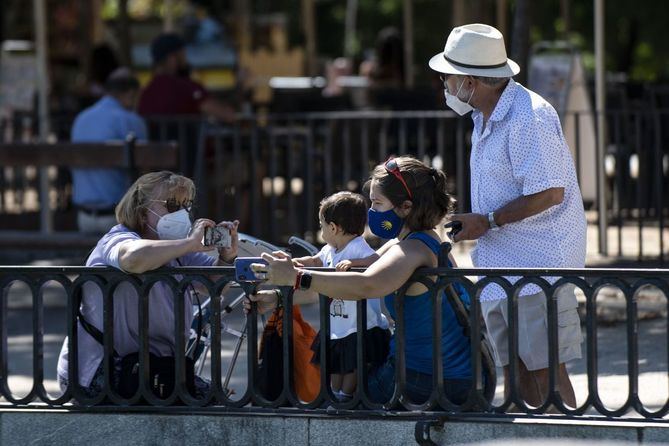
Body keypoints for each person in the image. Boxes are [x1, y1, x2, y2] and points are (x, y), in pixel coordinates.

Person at [428, 23, 586, 408]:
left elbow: (550, 192)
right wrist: (485, 220)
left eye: (449, 75)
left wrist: (490, 220)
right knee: (516, 370)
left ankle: (572, 438)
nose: (445, 84)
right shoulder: (486, 115)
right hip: (505, 266)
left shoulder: (527, 116)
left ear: (470, 81)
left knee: (545, 370)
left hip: (538, 266)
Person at [245, 156, 472, 405]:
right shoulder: (408, 242)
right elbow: (337, 282)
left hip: (430, 380)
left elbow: (366, 285)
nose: (371, 212)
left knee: (336, 401)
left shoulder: (413, 250)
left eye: (377, 203)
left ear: (406, 207)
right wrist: (278, 297)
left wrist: (296, 277)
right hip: (437, 375)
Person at [57, 170, 239, 398]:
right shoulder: (117, 238)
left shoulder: (177, 248)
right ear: (143, 212)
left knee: (218, 401)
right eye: (172, 205)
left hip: (153, 367)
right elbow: (132, 258)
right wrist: (190, 243)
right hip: (101, 369)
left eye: (186, 206)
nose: (182, 214)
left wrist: (226, 258)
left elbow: (215, 286)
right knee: (204, 405)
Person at [288, 191, 390, 402]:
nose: (322, 231)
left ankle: (346, 395)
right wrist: (295, 263)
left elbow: (375, 260)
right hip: (338, 323)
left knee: (353, 363)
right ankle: (335, 394)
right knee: (336, 362)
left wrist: (355, 264)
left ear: (333, 227)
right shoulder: (329, 249)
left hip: (360, 324)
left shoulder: (357, 247)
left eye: (321, 226)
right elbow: (316, 261)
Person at [70, 68, 147, 235]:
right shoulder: (130, 120)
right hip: (117, 219)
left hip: (83, 217)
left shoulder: (81, 118)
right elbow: (146, 171)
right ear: (131, 94)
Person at [138, 32, 235, 122]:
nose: (186, 61)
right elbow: (227, 115)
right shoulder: (187, 88)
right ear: (171, 58)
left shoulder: (146, 92)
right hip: (187, 141)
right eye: (183, 55)